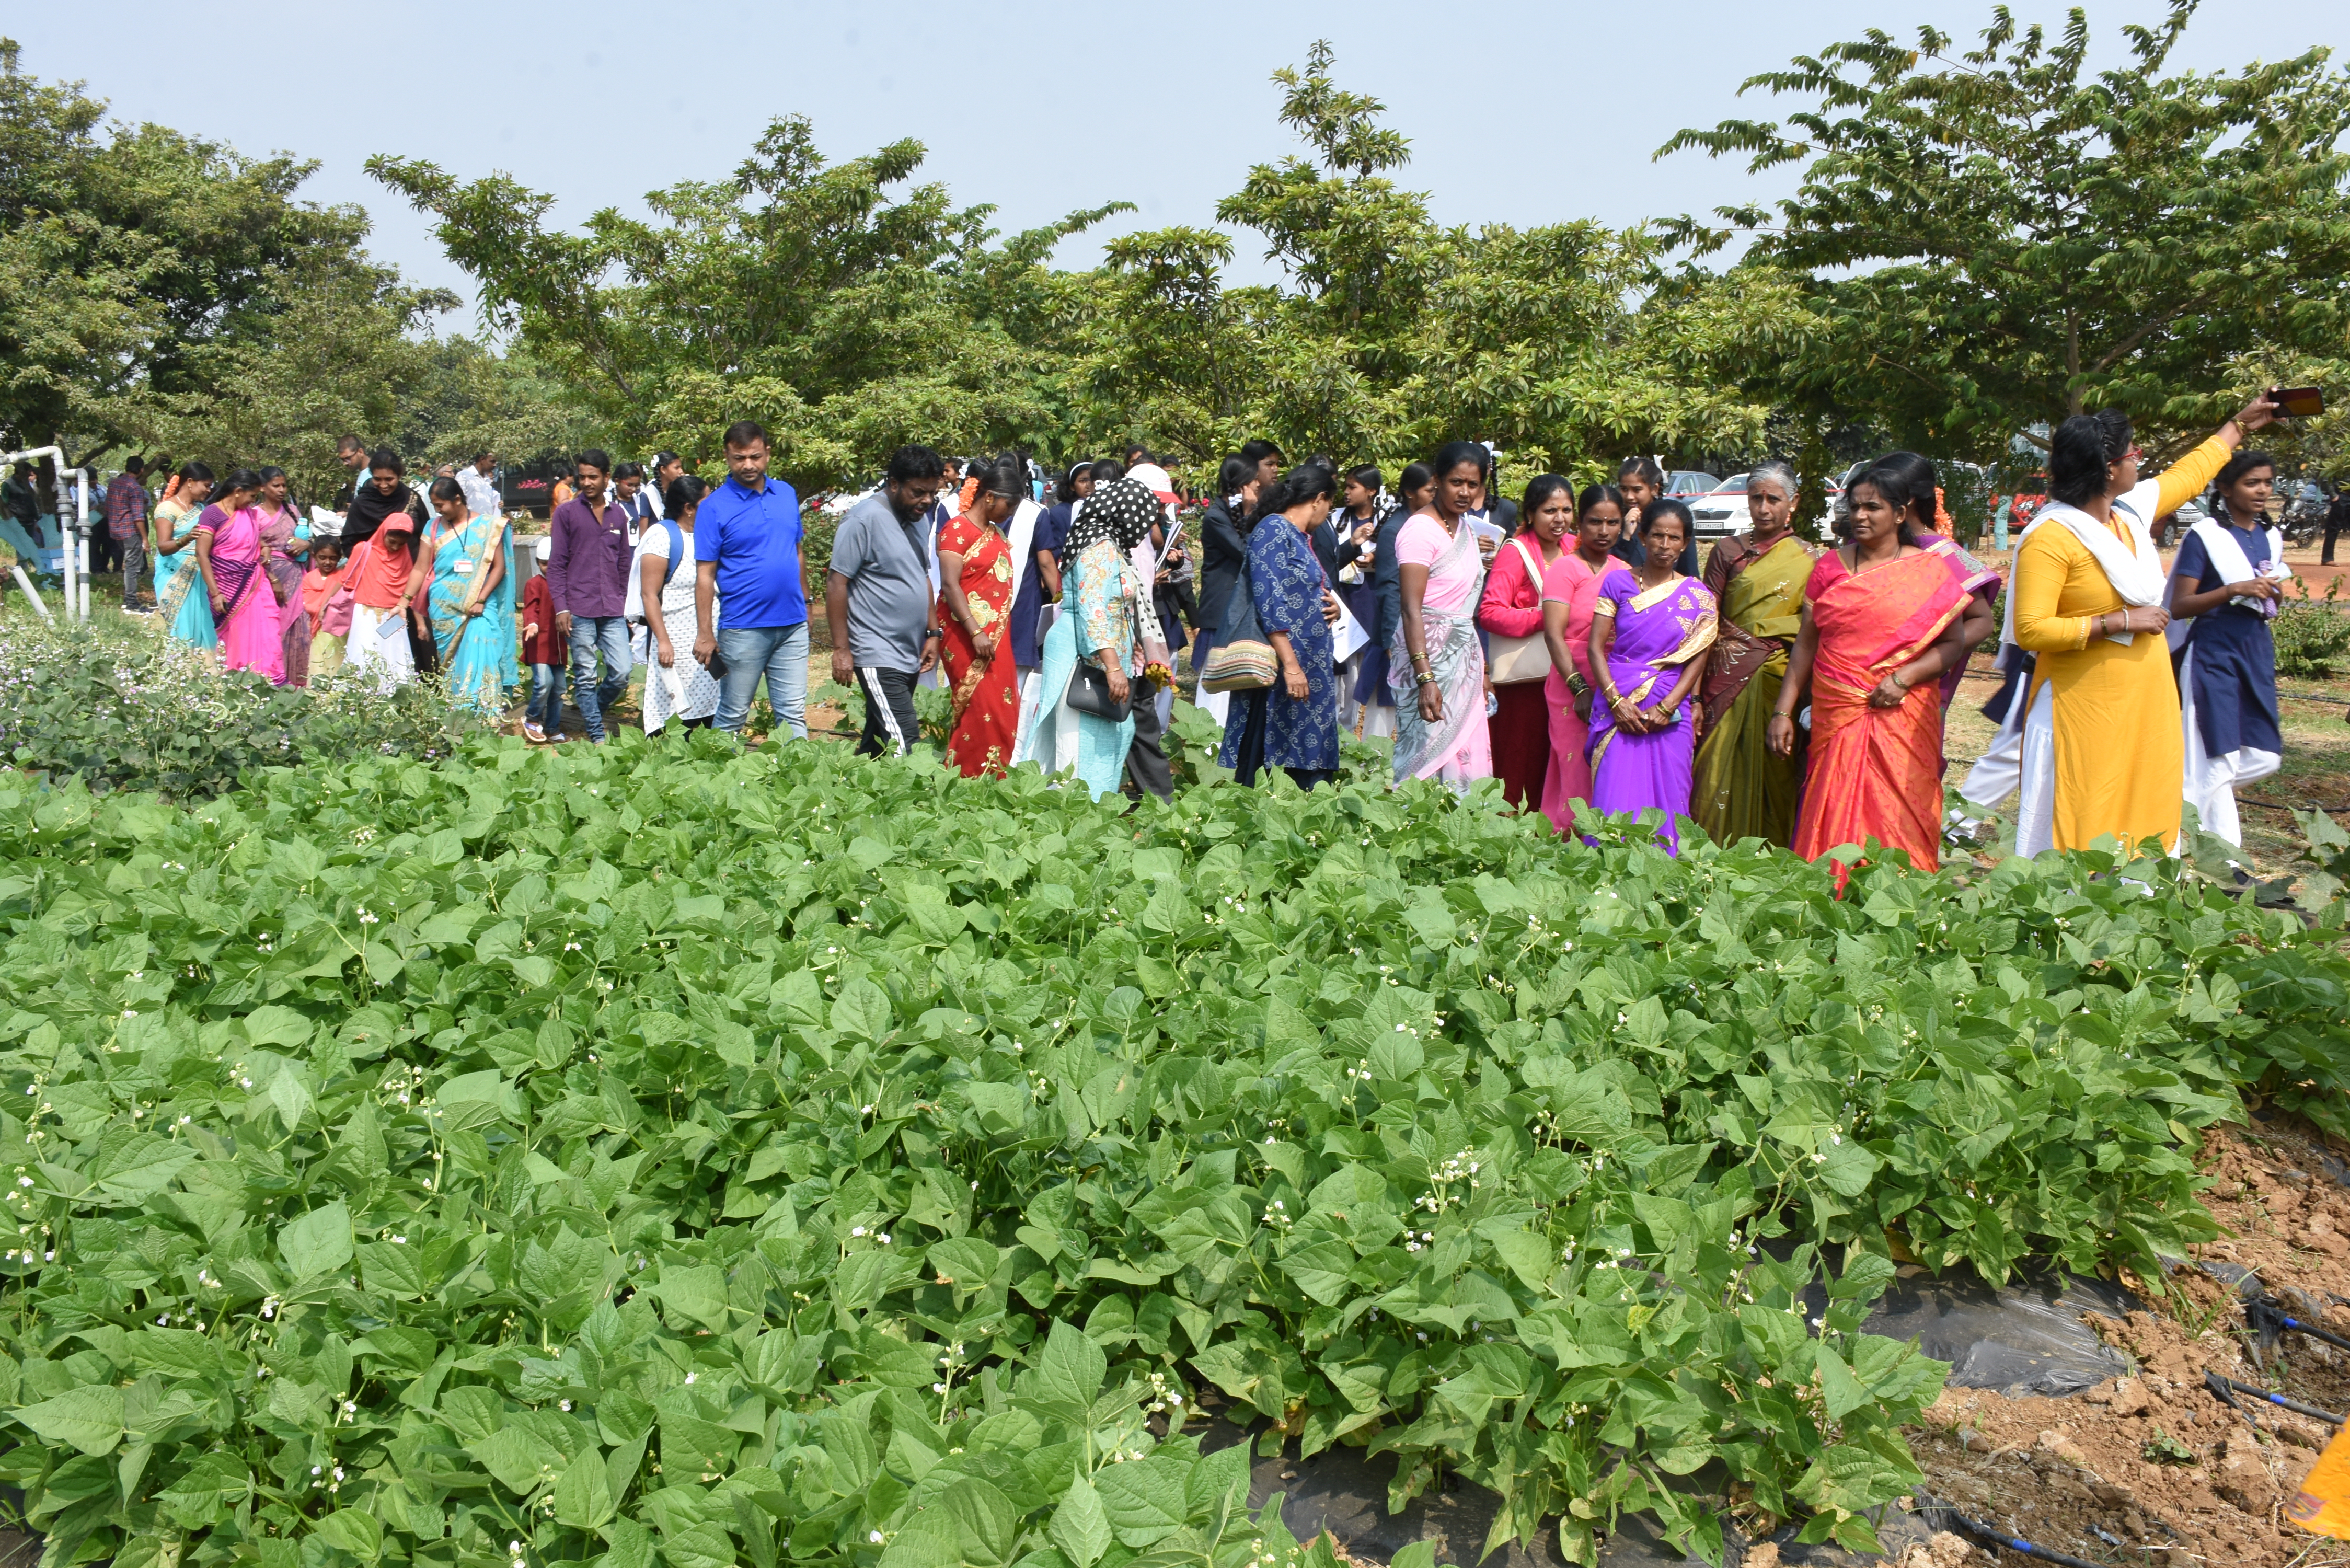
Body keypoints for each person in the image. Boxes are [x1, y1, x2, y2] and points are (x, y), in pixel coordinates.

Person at [2008, 394, 2274, 856]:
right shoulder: (2052, 536)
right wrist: (2120, 621)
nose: (2140, 463)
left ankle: (2142, 903)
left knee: (2146, 801)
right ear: (2110, 468)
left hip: (2146, 698)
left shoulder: (2128, 514)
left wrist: (2240, 425)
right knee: (2086, 808)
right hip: (2084, 704)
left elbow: (2188, 475)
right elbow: (2032, 630)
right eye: (2134, 454)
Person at [1768, 465, 1975, 878]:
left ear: (1900, 514)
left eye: (1873, 508)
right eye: (1855, 507)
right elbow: (1807, 643)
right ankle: (1830, 896)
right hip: (1838, 709)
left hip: (1903, 714)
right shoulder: (1830, 566)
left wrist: (1904, 678)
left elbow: (1953, 643)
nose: (1860, 516)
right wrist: (1783, 711)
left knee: (1900, 805)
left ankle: (1900, 899)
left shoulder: (1931, 570)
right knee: (1832, 803)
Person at [1016, 470, 1167, 796]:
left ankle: (1091, 816)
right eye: (1143, 519)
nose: (1143, 528)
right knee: (1081, 745)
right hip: (1084, 659)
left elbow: (1111, 608)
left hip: (1097, 653)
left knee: (1110, 735)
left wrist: (1131, 645)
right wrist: (1113, 667)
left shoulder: (1104, 543)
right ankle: (1079, 821)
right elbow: (1094, 611)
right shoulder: (1099, 549)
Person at [1690, 462, 1815, 847]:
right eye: (1756, 498)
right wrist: (1694, 695)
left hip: (1779, 682)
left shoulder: (1811, 559)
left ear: (1792, 503)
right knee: (1713, 770)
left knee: (1775, 772)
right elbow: (1706, 624)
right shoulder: (1728, 551)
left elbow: (1811, 633)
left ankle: (1770, 860)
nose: (1763, 508)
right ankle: (1706, 858)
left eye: (1773, 499)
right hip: (1724, 677)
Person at [2170, 448, 2289, 848]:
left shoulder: (2270, 536)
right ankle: (2229, 865)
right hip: (2212, 651)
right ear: (2224, 488)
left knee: (2264, 755)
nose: (2262, 491)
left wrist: (2272, 594)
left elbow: (2270, 602)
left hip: (2255, 649)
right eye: (2251, 482)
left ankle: (2171, 797)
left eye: (2268, 482)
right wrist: (2232, 590)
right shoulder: (2206, 535)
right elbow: (2180, 605)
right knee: (2219, 759)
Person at [1585, 501, 1717, 852]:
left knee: (1669, 798)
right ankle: (1603, 884)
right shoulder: (1618, 582)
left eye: (1674, 538)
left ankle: (1664, 885)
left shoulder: (1699, 597)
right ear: (1642, 537)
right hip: (1619, 702)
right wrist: (1616, 702)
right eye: (1657, 535)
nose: (1664, 544)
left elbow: (1698, 656)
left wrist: (1669, 705)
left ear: (1686, 544)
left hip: (1670, 711)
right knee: (1614, 797)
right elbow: (1595, 648)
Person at [1219, 466, 1343, 789]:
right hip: (1282, 668)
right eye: (1330, 505)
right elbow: (1269, 601)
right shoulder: (1273, 530)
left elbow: (1302, 590)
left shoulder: (1300, 537)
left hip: (1310, 662)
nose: (1328, 513)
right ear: (1319, 500)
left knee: (1308, 751)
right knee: (1274, 751)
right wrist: (1291, 667)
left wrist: (1332, 607)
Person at [691, 422, 810, 739]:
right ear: (726, 457)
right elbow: (705, 575)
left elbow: (797, 552)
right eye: (738, 458)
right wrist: (705, 634)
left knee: (793, 715)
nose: (748, 465)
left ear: (767, 453)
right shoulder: (713, 507)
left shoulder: (785, 494)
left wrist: (807, 602)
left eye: (755, 457)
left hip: (792, 625)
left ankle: (799, 785)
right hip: (744, 627)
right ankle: (718, 783)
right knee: (732, 714)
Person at [828, 445, 946, 757]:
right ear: (894, 484)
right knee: (906, 744)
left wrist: (933, 634)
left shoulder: (919, 519)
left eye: (932, 493)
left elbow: (921, 578)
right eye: (919, 492)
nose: (927, 501)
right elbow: (837, 582)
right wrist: (842, 649)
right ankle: (925, 804)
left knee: (876, 745)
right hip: (876, 650)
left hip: (909, 650)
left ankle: (846, 796)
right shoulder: (863, 520)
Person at [1869, 451, 2002, 724]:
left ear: (1908, 500)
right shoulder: (1860, 550)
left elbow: (1981, 621)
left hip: (1911, 690)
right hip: (1850, 684)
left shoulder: (1941, 554)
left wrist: (1918, 666)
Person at [1391, 442, 1494, 792]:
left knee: (1466, 752)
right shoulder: (1420, 531)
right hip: (1430, 661)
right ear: (1437, 481)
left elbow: (1466, 611)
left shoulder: (1465, 529)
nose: (1465, 492)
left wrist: (1482, 671)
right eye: (1456, 483)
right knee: (1425, 757)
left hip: (1464, 661)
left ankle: (1465, 837)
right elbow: (1411, 609)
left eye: (1472, 484)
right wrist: (1426, 679)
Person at [1478, 474, 1574, 810]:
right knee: (1522, 758)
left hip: (1569, 676)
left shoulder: (1575, 548)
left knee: (1561, 759)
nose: (1559, 519)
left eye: (1566, 510)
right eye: (1550, 510)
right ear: (1531, 514)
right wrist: (1546, 616)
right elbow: (1490, 613)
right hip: (1526, 683)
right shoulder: (1515, 553)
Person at [1538, 483, 1627, 833]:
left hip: (1614, 680)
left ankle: (1604, 839)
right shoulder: (1565, 569)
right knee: (1574, 764)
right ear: (1580, 522)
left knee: (1606, 764)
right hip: (1571, 680)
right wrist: (1579, 689)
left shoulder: (1624, 571)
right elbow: (1553, 634)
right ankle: (1570, 840)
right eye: (1595, 522)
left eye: (1613, 523)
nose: (1604, 531)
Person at [935, 460, 1026, 775]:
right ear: (989, 497)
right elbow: (950, 584)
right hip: (967, 634)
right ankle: (964, 779)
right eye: (1008, 504)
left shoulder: (993, 532)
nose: (1010, 512)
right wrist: (975, 631)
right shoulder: (957, 530)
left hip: (996, 636)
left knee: (1003, 708)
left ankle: (992, 780)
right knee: (979, 707)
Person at [547, 449, 633, 743]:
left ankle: (592, 710)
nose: (586, 482)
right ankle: (597, 734)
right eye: (582, 477)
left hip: (612, 607)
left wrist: (627, 606)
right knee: (584, 674)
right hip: (578, 606)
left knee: (622, 671)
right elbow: (557, 564)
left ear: (607, 478)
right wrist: (561, 608)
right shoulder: (566, 513)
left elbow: (625, 564)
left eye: (593, 477)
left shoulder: (618, 515)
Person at [421, 475, 513, 710]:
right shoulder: (432, 527)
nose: (438, 510)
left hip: (480, 606)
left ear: (458, 500)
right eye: (434, 506)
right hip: (443, 608)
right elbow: (420, 568)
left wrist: (481, 599)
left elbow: (499, 567)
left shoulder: (488, 526)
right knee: (449, 664)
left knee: (480, 650)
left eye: (441, 505)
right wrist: (406, 601)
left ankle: (483, 713)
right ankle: (456, 714)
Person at [1356, 463, 1431, 744]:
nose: (1435, 495)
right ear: (1410, 493)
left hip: (1421, 628)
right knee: (1383, 708)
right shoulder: (1395, 530)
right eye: (1429, 490)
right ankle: (1371, 769)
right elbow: (1389, 587)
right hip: (1395, 630)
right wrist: (1390, 641)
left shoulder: (1427, 525)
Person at [638, 474, 719, 733]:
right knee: (678, 716)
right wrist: (663, 641)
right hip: (677, 643)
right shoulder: (662, 536)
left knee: (711, 711)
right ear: (689, 508)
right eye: (707, 501)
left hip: (709, 643)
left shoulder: (708, 535)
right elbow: (649, 595)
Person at [191, 469, 287, 685]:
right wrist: (216, 594)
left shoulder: (249, 515)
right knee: (236, 638)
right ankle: (237, 683)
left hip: (256, 583)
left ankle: (268, 682)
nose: (254, 502)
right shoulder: (212, 514)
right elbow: (202, 554)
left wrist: (264, 548)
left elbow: (252, 540)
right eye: (252, 496)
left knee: (269, 633)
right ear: (237, 492)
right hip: (227, 587)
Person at [1011, 463, 1085, 709]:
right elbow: (1046, 561)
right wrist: (1061, 602)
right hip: (1025, 595)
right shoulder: (1044, 512)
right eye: (1083, 480)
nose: (1089, 486)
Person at [1192, 455, 1258, 719]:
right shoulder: (1215, 517)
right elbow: (1245, 552)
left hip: (1236, 607)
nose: (1258, 488)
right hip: (1221, 608)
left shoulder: (1231, 515)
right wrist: (1251, 514)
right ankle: (1206, 742)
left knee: (1233, 675)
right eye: (1254, 483)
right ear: (1240, 486)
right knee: (1215, 678)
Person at [245, 468, 313, 686]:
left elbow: (304, 540)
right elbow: (252, 548)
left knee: (300, 627)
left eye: (284, 485)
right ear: (263, 487)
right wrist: (272, 579)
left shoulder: (292, 510)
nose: (282, 490)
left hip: (296, 574)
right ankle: (271, 679)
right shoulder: (255, 514)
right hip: (267, 576)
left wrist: (307, 544)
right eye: (276, 486)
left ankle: (297, 679)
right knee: (273, 628)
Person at [153, 463, 222, 654]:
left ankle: (205, 671)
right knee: (182, 625)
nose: (208, 491)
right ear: (190, 482)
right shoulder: (167, 508)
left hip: (199, 575)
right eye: (206, 486)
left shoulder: (202, 509)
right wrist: (185, 539)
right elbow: (163, 546)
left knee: (203, 622)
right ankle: (180, 671)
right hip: (175, 575)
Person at [1610, 457, 1701, 577]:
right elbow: (1610, 569)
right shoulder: (1614, 522)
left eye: (1637, 490)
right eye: (1624, 489)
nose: (1629, 496)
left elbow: (1689, 572)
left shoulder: (1674, 521)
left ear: (1654, 489)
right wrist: (1626, 537)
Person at [522, 539, 569, 743]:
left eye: (552, 563)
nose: (548, 567)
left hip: (558, 645)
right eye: (543, 563)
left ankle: (552, 727)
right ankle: (532, 718)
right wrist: (532, 624)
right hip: (540, 643)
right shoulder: (534, 584)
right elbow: (531, 608)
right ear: (538, 563)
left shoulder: (567, 583)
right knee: (544, 683)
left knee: (559, 689)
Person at [344, 449, 428, 552]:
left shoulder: (412, 499)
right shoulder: (361, 504)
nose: (383, 485)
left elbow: (426, 539)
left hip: (411, 566)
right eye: (378, 479)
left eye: (389, 479)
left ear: (399, 476)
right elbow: (349, 544)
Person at [104, 457, 151, 610]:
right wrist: (145, 539)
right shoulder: (135, 488)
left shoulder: (113, 484)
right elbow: (138, 516)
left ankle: (129, 599)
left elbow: (108, 507)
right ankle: (131, 602)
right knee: (133, 567)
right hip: (130, 531)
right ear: (141, 470)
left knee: (133, 564)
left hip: (115, 530)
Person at [300, 537, 349, 679]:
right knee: (318, 664)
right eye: (323, 558)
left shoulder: (342, 579)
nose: (328, 562)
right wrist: (325, 607)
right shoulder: (309, 579)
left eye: (333, 558)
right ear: (314, 557)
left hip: (335, 632)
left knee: (335, 663)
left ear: (340, 558)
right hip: (315, 629)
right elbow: (309, 605)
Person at [333, 436, 370, 515]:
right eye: (343, 460)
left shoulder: (374, 475)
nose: (345, 463)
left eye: (348, 458)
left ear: (360, 452)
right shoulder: (363, 473)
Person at [458, 452, 500, 518]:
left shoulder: (487, 478)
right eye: (492, 462)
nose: (495, 465)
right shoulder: (464, 476)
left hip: (487, 523)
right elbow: (458, 501)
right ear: (482, 460)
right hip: (470, 522)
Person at [646, 453, 685, 519]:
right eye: (677, 468)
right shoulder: (649, 493)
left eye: (681, 467)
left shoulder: (678, 489)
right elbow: (644, 527)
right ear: (663, 470)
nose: (681, 471)